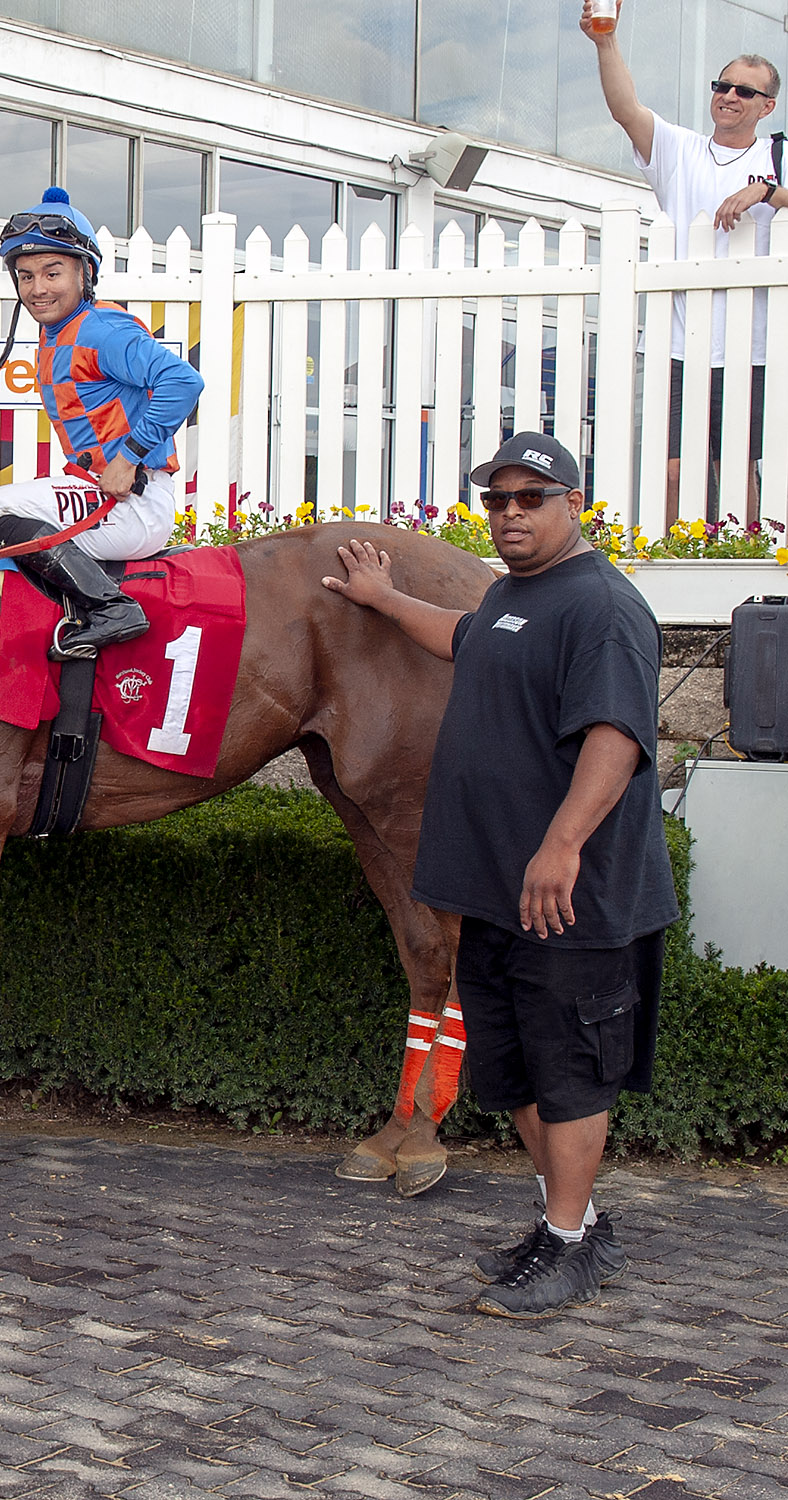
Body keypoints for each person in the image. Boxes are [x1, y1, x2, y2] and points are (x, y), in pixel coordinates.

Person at [323, 432, 678, 1319]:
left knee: (569, 1077)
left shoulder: (603, 606)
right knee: (514, 1074)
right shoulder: (516, 598)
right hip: (495, 890)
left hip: (574, 899)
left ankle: (567, 1246)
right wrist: (384, 597)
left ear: (574, 502)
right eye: (497, 500)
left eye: (531, 497)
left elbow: (618, 735)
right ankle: (575, 1226)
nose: (510, 514)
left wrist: (561, 844)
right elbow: (465, 640)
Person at [0, 186, 206, 659]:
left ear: (86, 273)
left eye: (53, 273)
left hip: (132, 505)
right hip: (99, 494)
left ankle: (111, 609)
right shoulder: (55, 333)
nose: (38, 289)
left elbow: (183, 382)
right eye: (26, 276)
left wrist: (128, 456)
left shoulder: (103, 328)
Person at [585, 1, 776, 524]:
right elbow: (627, 110)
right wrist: (606, 43)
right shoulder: (680, 148)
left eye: (744, 91)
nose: (729, 96)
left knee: (736, 467)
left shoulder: (775, 158)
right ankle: (673, 549)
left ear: (768, 106)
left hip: (749, 344)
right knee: (671, 468)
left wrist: (765, 190)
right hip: (675, 342)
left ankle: (742, 556)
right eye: (722, 86)